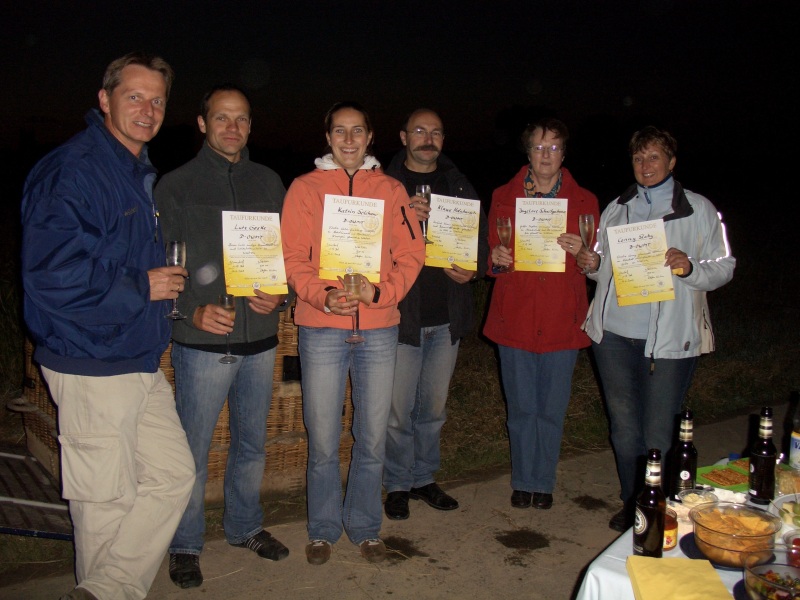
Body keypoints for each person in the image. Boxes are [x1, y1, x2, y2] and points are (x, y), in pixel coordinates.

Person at [20, 52, 196, 600]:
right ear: (105, 99)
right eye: (134, 96)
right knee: (105, 500)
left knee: (173, 476)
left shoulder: (133, 171)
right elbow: (51, 276)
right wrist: (143, 285)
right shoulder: (73, 170)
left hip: (136, 356)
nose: (147, 110)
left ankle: (105, 589)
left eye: (157, 100)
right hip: (89, 357)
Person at [156, 84, 290, 589]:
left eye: (241, 119)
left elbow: (289, 256)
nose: (232, 128)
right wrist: (192, 311)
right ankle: (185, 543)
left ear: (251, 125)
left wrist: (281, 295)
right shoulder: (176, 185)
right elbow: (160, 262)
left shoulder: (270, 182)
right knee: (191, 451)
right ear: (202, 123)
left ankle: (244, 527)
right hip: (202, 345)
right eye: (221, 118)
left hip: (260, 340)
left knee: (252, 445)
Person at [281, 101, 425, 565]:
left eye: (357, 130)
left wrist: (378, 292)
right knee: (323, 437)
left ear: (370, 137)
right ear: (327, 137)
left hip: (378, 329)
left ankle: (365, 527)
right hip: (322, 327)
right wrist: (324, 296)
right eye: (339, 131)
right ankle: (323, 528)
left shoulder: (391, 190)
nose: (348, 139)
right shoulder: (304, 188)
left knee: (373, 436)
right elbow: (292, 257)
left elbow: (412, 255)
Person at [577, 126, 735, 532]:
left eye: (654, 157)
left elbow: (724, 266)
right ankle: (632, 501)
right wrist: (593, 265)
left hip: (669, 341)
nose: (645, 165)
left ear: (671, 162)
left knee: (658, 433)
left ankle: (657, 505)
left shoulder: (698, 209)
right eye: (638, 158)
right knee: (623, 429)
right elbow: (604, 268)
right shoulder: (617, 208)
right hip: (613, 336)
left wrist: (690, 267)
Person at [484, 118, 599, 511]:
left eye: (553, 147)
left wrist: (584, 256)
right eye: (538, 147)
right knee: (520, 409)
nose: (545, 155)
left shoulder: (585, 202)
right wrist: (496, 258)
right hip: (515, 316)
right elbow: (491, 259)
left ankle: (543, 481)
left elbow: (593, 263)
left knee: (550, 409)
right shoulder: (503, 196)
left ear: (564, 154)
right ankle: (523, 481)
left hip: (561, 318)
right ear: (527, 152)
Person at [382, 109, 489, 520]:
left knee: (432, 410)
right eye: (420, 131)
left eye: (436, 132)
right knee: (397, 413)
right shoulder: (385, 185)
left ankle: (424, 478)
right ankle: (397, 484)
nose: (428, 139)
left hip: (446, 318)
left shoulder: (458, 184)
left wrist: (473, 270)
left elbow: (479, 242)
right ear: (403, 136)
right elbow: (362, 245)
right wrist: (401, 219)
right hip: (400, 319)